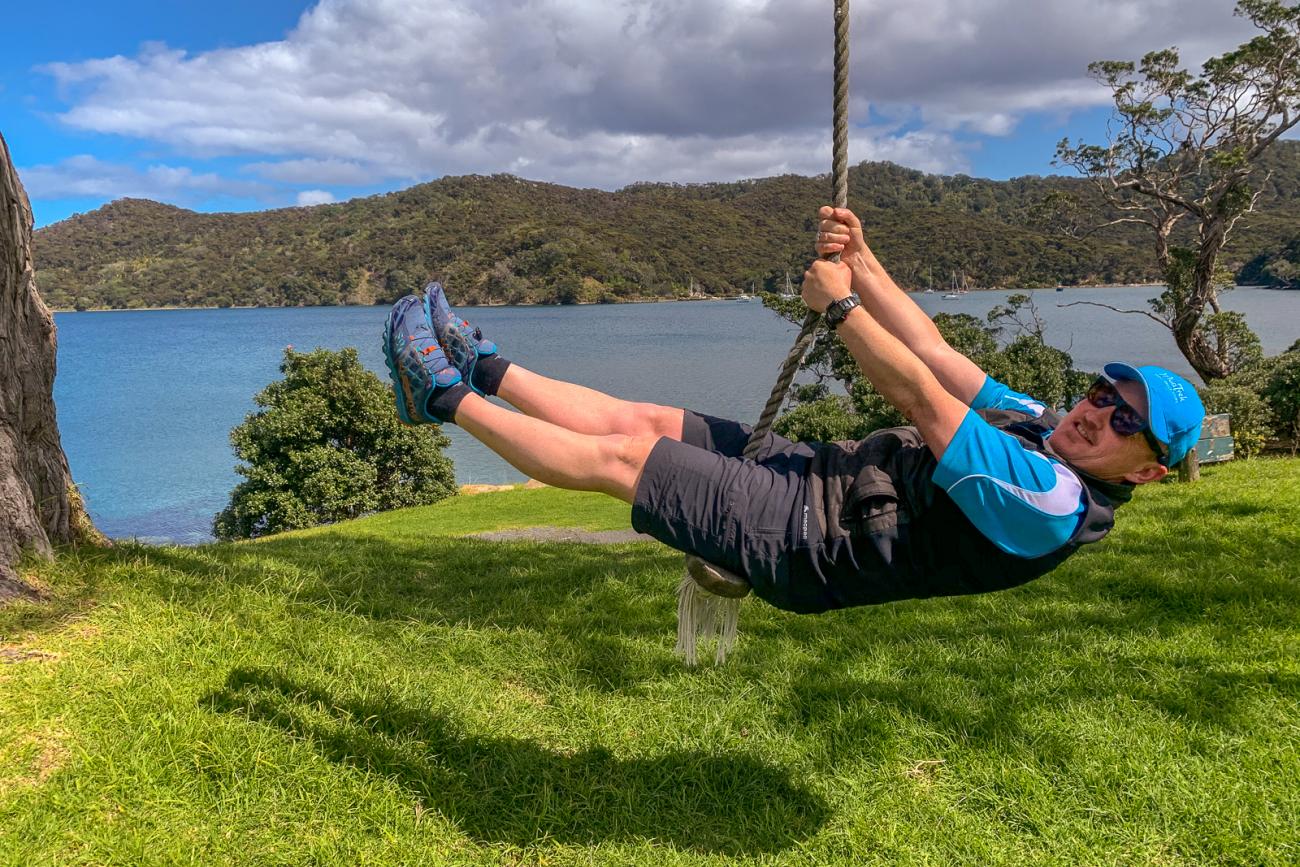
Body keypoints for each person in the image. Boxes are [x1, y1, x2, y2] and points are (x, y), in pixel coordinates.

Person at [382, 206, 1205, 614]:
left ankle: (439, 396)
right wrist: (867, 263)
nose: (1098, 413)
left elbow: (920, 396)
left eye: (1125, 422)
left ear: (1151, 470)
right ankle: (480, 362)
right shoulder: (1041, 422)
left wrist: (843, 311)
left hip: (812, 542)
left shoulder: (1053, 501)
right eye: (1105, 393)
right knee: (646, 420)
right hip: (822, 473)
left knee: (625, 463)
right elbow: (942, 359)